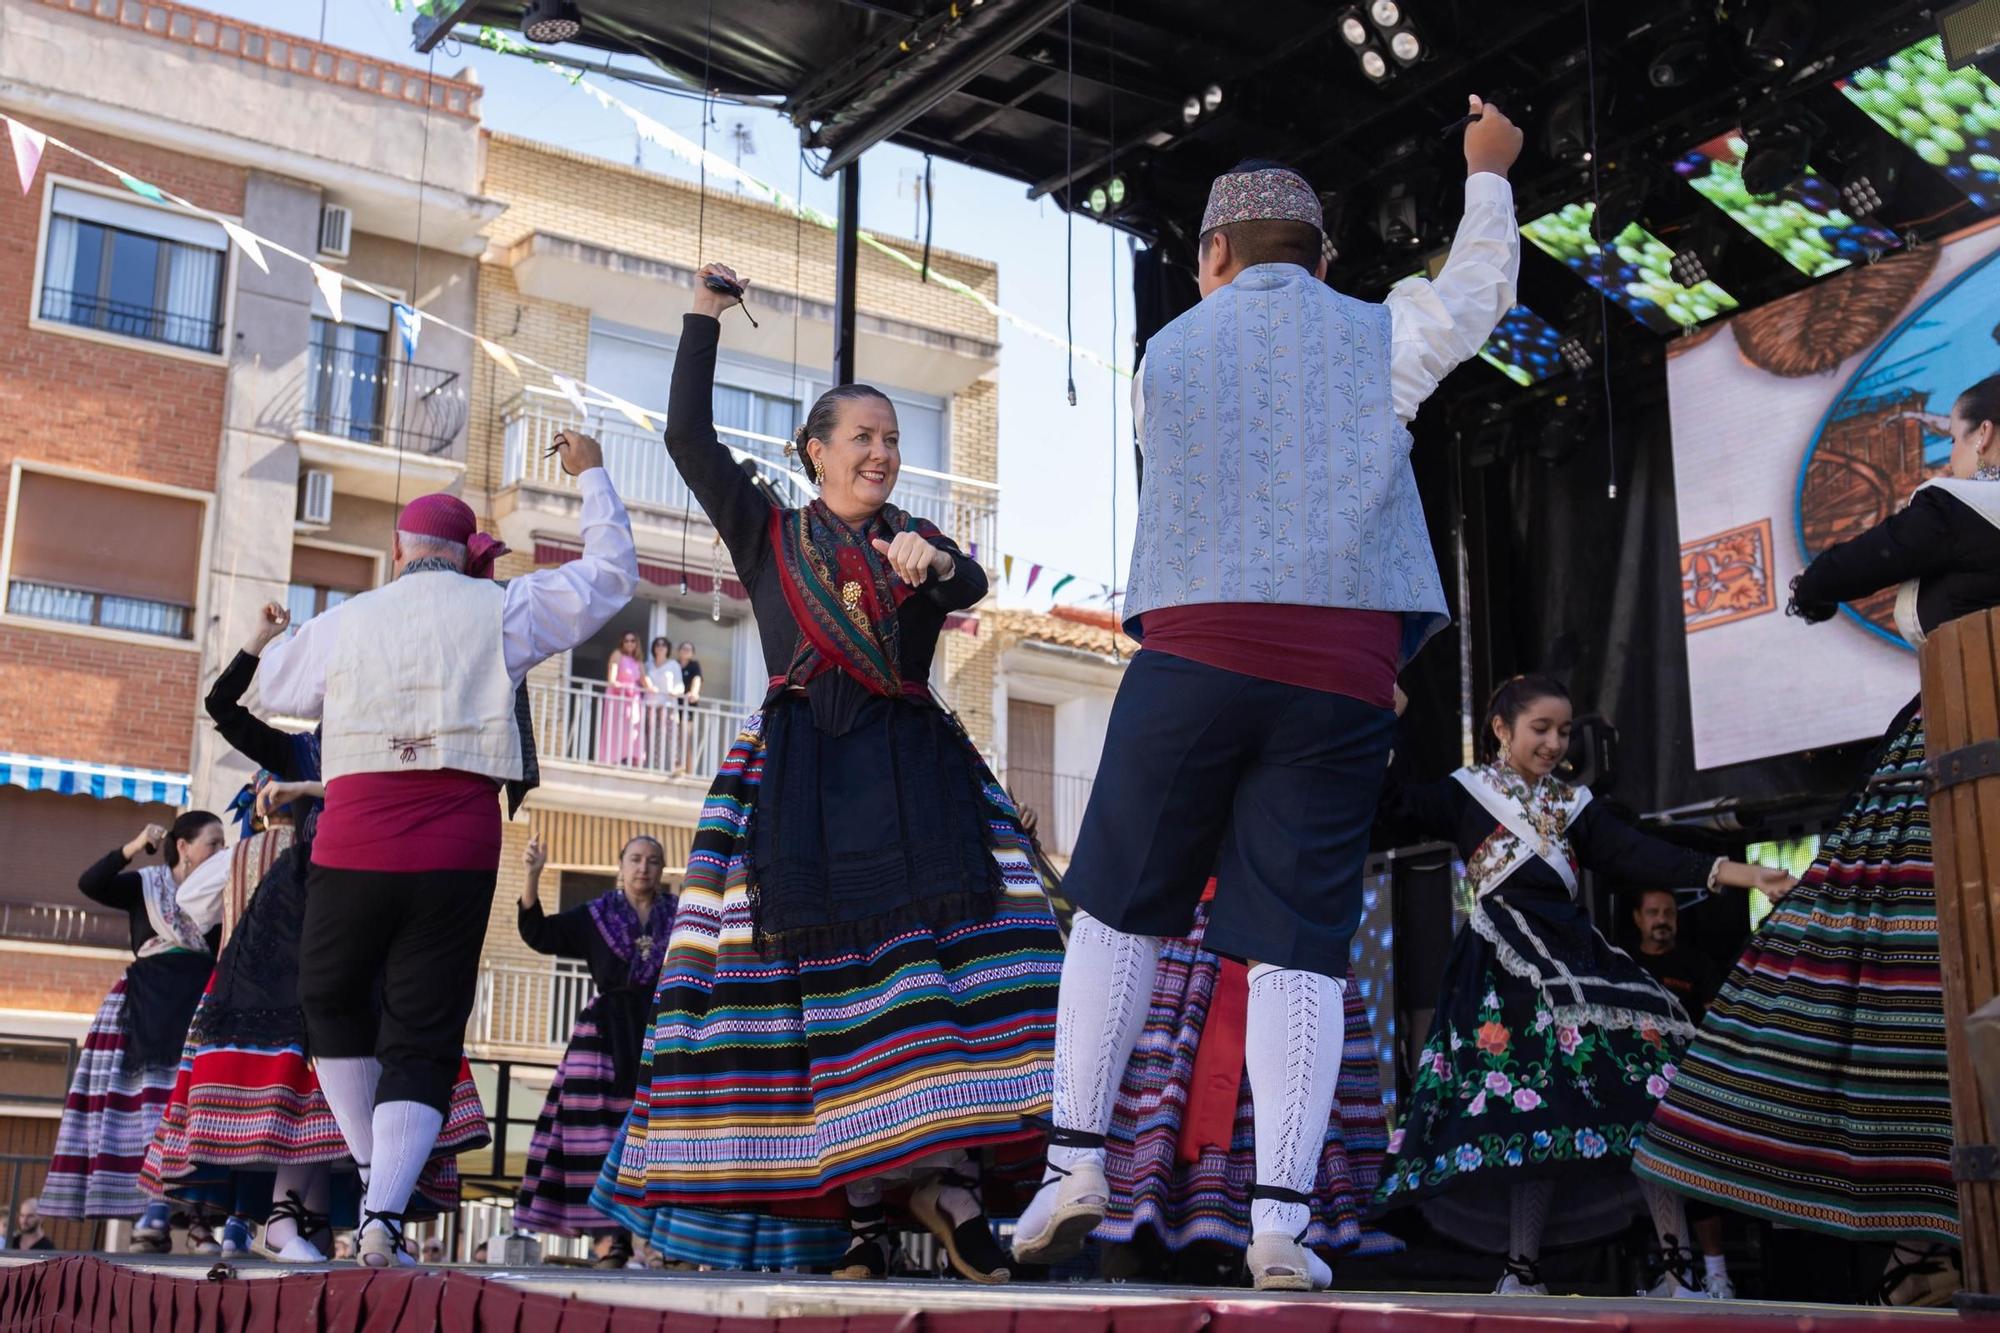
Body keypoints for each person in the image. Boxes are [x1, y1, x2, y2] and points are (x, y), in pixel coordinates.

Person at [1013, 99, 1526, 1292]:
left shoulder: (1164, 354)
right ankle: (1281, 1223)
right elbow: (1475, 299)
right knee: (1295, 950)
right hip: (1340, 674)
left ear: (1211, 259)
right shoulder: (1373, 331)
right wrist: (1485, 174)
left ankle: (1074, 1160)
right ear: (1327, 261)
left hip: (1192, 653)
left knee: (1117, 910)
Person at [592, 267, 1062, 1285]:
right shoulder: (770, 532)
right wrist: (702, 319)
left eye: (893, 440)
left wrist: (934, 571)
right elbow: (687, 441)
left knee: (959, 958)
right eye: (863, 438)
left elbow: (970, 581)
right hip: (808, 775)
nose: (883, 455)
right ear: (814, 452)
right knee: (821, 985)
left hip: (912, 772)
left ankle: (952, 1184)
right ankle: (855, 1213)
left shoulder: (914, 540)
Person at [1633, 373, 2000, 1309]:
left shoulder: (1957, 507)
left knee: (1891, 993)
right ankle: (1939, 1250)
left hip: (1957, 759)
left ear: (1986, 439)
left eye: (1953, 441)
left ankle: (1926, 1251)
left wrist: (1805, 595)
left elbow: (1844, 565)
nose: (1950, 460)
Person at [256, 431, 638, 1267]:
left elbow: (273, 687)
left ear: (399, 550)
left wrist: (268, 641)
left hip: (356, 837)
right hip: (460, 842)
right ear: (466, 552)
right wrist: (595, 475)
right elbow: (612, 577)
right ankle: (384, 1209)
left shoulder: (350, 617)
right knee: (424, 1030)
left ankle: (373, 1181)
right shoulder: (502, 607)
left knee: (330, 1001)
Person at [1371, 676, 1795, 1297]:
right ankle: (1521, 1274)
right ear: (1501, 729)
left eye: (1563, 731)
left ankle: (1677, 1271)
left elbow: (1637, 853)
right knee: (1531, 1112)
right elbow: (1390, 811)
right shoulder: (1466, 794)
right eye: (1540, 729)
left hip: (1578, 954)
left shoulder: (1572, 804)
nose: (1553, 743)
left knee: (1652, 1091)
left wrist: (1740, 872)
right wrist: (1386, 721)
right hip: (1503, 965)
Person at [141, 603, 487, 1262]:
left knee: (371, 1059)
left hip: (383, 902)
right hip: (306, 906)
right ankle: (284, 1216)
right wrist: (261, 638)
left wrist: (312, 786)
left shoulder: (401, 740)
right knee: (308, 1053)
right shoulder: (301, 743)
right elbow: (222, 705)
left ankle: (343, 1219)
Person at [1097, 879, 1400, 1286]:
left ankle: (1278, 1242)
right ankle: (1240, 1246)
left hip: (1281, 939)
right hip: (1232, 935)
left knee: (1295, 1080)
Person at [41, 811, 226, 1249]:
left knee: (196, 1117)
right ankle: (154, 1214)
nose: (220, 851)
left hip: (199, 1005)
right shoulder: (146, 885)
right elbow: (92, 883)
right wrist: (134, 845)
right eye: (213, 842)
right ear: (183, 845)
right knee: (151, 1114)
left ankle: (199, 1221)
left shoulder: (222, 894)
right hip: (146, 1005)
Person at [512, 833, 670, 1261]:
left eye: (653, 861)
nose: (643, 868)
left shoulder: (679, 917)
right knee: (597, 1138)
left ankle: (665, 1238)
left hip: (661, 1033)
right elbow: (539, 933)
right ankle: (611, 1236)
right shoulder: (595, 915)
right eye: (635, 859)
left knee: (662, 1134)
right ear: (620, 866)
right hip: (602, 1038)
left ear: (661, 870)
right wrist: (532, 874)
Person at [1626, 889, 1730, 1296]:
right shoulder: (1622, 965)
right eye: (1653, 912)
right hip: (1635, 1091)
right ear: (1637, 917)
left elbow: (1718, 1022)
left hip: (1689, 1087)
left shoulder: (1695, 964)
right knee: (1649, 1180)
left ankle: (1718, 1275)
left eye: (1668, 912)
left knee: (1697, 1178)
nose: (1662, 919)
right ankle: (1673, 1275)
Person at [600, 630, 649, 767]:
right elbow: (612, 679)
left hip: (633, 700)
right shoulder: (617, 655)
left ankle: (632, 760)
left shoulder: (638, 661)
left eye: (632, 640)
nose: (629, 643)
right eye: (626, 640)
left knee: (633, 731)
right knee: (615, 728)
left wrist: (655, 690)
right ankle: (612, 759)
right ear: (622, 642)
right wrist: (623, 688)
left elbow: (645, 680)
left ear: (636, 643)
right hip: (618, 698)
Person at [645, 636, 684, 772]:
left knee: (672, 737)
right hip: (652, 706)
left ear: (667, 648)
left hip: (668, 706)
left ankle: (676, 768)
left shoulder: (673, 665)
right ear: (653, 648)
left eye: (663, 645)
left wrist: (675, 692)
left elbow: (680, 686)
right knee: (653, 738)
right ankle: (655, 767)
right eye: (657, 644)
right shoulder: (648, 665)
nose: (660, 647)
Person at [674, 641, 705, 773]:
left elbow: (697, 680)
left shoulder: (694, 665)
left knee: (685, 738)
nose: (686, 651)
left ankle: (688, 771)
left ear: (692, 653)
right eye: (684, 648)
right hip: (674, 705)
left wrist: (694, 692)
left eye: (689, 649)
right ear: (679, 650)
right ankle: (677, 767)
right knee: (675, 738)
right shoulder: (674, 665)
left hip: (688, 705)